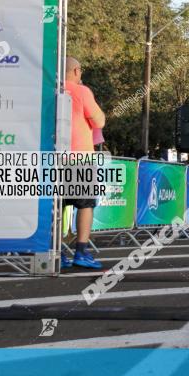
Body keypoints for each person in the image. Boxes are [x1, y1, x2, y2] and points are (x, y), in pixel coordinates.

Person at [62, 56, 106, 270]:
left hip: (52, 157)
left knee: (56, 206)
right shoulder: (81, 91)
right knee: (85, 204)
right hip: (80, 158)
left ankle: (57, 251)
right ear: (77, 71)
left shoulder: (48, 90)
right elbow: (99, 120)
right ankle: (81, 251)